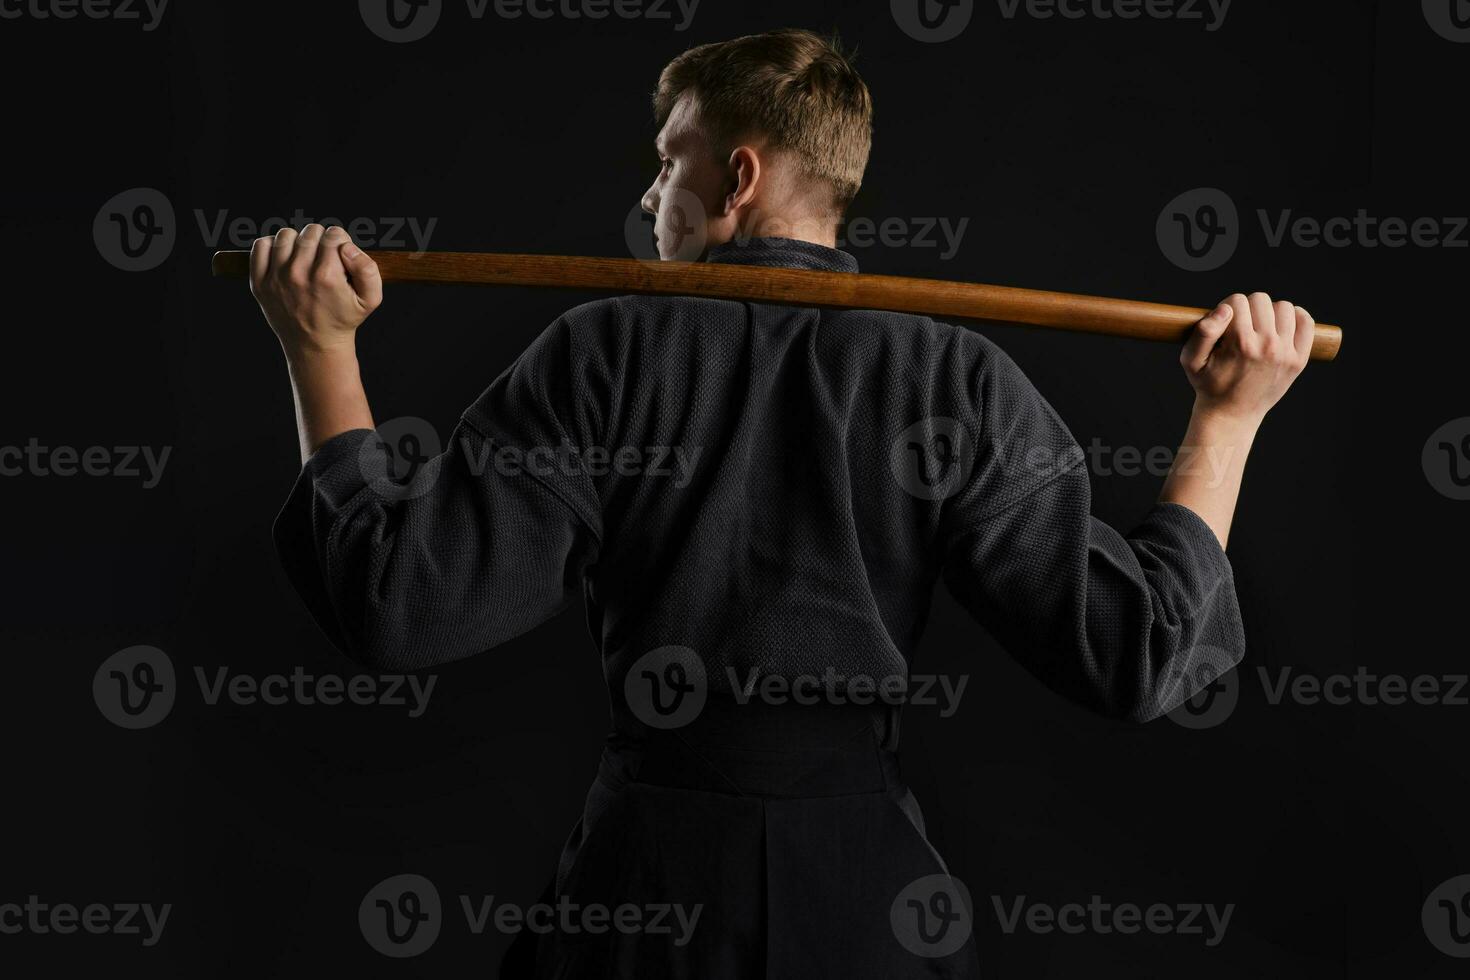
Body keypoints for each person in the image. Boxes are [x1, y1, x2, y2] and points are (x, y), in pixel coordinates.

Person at [251, 28, 1315, 979]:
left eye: (668, 164)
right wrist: (1227, 418)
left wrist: (318, 347)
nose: (649, 200)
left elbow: (395, 601)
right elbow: (1137, 652)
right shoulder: (957, 377)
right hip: (868, 907)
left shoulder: (604, 351)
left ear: (738, 176)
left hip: (642, 899)